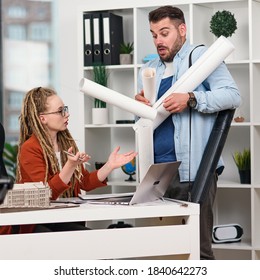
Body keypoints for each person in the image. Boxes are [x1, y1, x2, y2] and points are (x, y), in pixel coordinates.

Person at [135, 6, 240, 260]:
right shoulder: (149, 69)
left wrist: (191, 98)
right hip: (156, 175)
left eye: (164, 32)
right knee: (167, 253)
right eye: (154, 35)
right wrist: (137, 107)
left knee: (198, 250)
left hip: (191, 172)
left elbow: (233, 95)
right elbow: (144, 121)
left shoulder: (200, 57)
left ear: (182, 30)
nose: (159, 40)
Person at [0, 86, 137, 234]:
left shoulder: (66, 143)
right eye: (60, 111)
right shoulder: (30, 148)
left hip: (66, 218)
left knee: (94, 239)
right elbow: (45, 195)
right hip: (41, 223)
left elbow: (84, 182)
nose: (67, 114)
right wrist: (70, 166)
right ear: (42, 118)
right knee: (92, 240)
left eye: (65, 109)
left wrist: (109, 166)